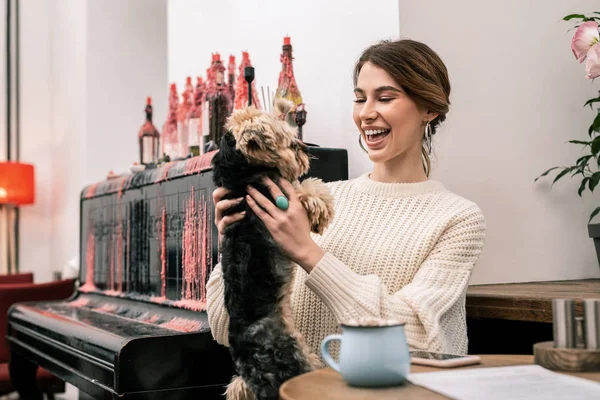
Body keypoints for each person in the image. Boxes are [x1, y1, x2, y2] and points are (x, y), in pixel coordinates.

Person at [206, 39, 487, 357]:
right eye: (360, 99)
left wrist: (309, 253)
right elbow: (224, 329)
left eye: (385, 98)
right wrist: (234, 246)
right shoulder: (321, 200)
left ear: (429, 108)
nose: (366, 114)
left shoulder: (457, 219)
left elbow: (420, 339)